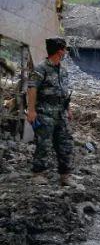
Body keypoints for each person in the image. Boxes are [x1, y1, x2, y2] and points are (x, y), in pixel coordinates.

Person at [26, 37, 74, 185]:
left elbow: (64, 93)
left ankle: (65, 176)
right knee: (44, 144)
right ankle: (38, 173)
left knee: (65, 143)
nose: (66, 52)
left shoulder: (63, 70)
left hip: (61, 113)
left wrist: (68, 109)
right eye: (64, 49)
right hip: (45, 112)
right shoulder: (41, 68)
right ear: (59, 51)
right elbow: (32, 88)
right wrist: (31, 110)